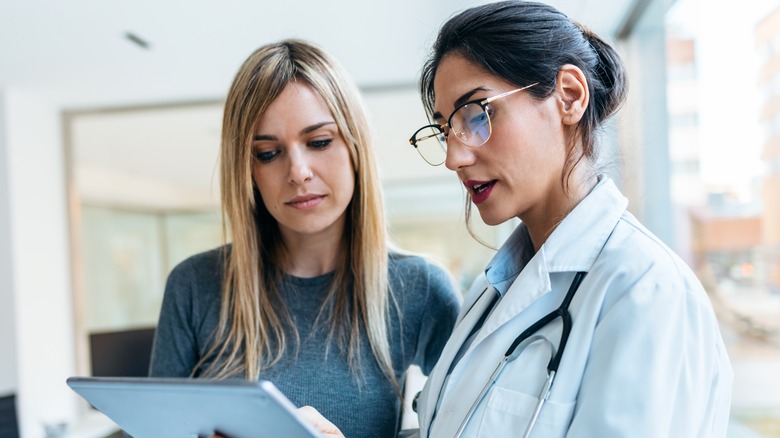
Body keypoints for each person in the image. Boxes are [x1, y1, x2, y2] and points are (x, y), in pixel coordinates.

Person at [305, 1, 733, 437]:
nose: (454, 156)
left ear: (569, 95)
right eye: (445, 129)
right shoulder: (491, 293)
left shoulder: (645, 291)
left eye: (477, 114)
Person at [148, 39, 461, 438]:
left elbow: (471, 426)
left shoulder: (419, 288)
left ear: (355, 147)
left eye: (319, 142)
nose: (298, 172)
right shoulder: (195, 286)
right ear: (248, 171)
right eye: (267, 153)